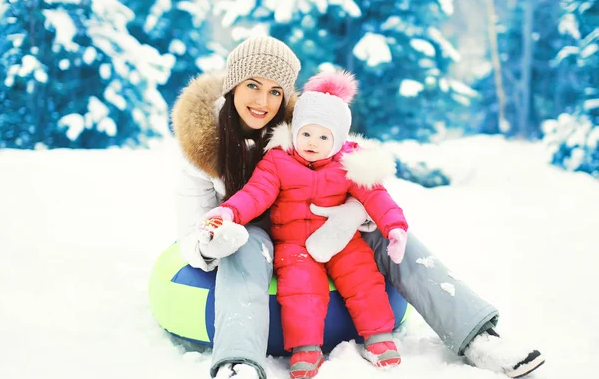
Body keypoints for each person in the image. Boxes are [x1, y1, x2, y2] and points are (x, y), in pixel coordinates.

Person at [171, 36, 545, 379]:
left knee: (392, 236)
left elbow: (354, 174)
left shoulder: (306, 124)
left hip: (323, 230)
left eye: (274, 91)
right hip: (260, 240)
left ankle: (478, 336)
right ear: (234, 84)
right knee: (244, 243)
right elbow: (190, 233)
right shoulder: (203, 148)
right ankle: (239, 361)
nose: (262, 101)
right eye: (252, 85)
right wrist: (211, 242)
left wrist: (355, 214)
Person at [201, 71, 408, 378]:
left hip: (341, 240)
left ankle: (378, 337)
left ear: (337, 141)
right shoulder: (277, 161)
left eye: (324, 137)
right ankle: (306, 348)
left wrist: (395, 228)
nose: (313, 142)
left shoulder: (348, 164)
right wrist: (229, 212)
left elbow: (377, 197)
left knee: (363, 278)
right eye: (306, 134)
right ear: (295, 131)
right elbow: (256, 194)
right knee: (300, 290)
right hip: (295, 245)